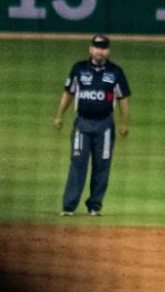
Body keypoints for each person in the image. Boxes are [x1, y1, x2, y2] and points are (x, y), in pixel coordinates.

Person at [53, 32, 130, 215]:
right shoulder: (79, 69)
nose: (100, 51)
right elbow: (68, 93)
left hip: (105, 126)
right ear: (90, 49)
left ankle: (94, 206)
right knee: (77, 164)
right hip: (82, 125)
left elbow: (123, 98)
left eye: (103, 48)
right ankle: (69, 207)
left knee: (101, 166)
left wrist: (124, 122)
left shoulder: (115, 72)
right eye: (97, 48)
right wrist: (59, 115)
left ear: (108, 51)